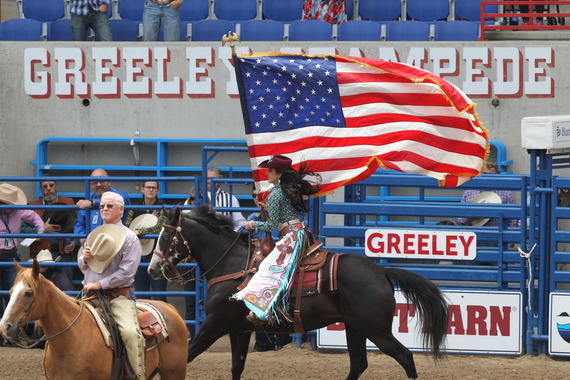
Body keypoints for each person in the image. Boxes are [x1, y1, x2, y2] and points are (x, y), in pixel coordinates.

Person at [234, 155, 320, 323]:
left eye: (270, 170)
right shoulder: (283, 191)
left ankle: (264, 308)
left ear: (279, 174)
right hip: (299, 232)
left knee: (269, 266)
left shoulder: (274, 194)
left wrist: (252, 225)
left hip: (291, 236)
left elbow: (271, 225)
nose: (267, 174)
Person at [78, 191, 145, 380]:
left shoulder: (130, 238)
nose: (104, 209)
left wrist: (100, 283)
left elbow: (127, 273)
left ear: (121, 210)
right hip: (90, 295)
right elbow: (83, 265)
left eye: (109, 206)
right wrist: (85, 258)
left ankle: (135, 374)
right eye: (101, 206)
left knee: (131, 333)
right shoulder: (94, 235)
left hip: (117, 296)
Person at [247, 186, 291, 351]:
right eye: (255, 196)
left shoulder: (276, 215)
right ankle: (264, 340)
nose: (257, 199)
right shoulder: (254, 216)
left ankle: (281, 338)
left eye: (261, 196)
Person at [0, 183, 45, 345]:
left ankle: (14, 333)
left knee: (13, 295)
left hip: (10, 255)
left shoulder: (18, 211)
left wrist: (40, 230)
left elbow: (34, 217)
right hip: (6, 255)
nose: (11, 209)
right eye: (8, 205)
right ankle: (2, 336)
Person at [25, 178, 77, 285]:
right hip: (40, 255)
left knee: (65, 287)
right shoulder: (32, 206)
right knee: (39, 286)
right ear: (41, 189)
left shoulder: (69, 202)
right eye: (45, 186)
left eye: (51, 185)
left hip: (63, 254)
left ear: (56, 186)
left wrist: (75, 242)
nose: (48, 188)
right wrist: (42, 229)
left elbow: (78, 225)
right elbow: (23, 230)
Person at [124, 181, 167, 302]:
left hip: (157, 256)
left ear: (158, 191)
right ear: (142, 189)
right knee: (142, 297)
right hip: (139, 256)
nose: (151, 190)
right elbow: (126, 227)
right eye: (148, 187)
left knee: (159, 296)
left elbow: (160, 228)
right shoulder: (134, 208)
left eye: (154, 188)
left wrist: (140, 232)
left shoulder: (162, 209)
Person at [74, 168, 131, 244]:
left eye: (102, 181)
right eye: (95, 182)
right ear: (90, 185)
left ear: (109, 182)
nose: (98, 184)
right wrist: (81, 237)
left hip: (116, 243)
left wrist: (93, 203)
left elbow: (120, 200)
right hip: (93, 246)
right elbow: (79, 224)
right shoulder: (88, 201)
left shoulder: (120, 196)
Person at [455, 161, 518, 227]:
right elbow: (459, 219)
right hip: (475, 233)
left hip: (498, 234)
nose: (488, 177)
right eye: (484, 174)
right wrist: (469, 218)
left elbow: (513, 221)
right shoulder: (469, 192)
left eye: (491, 174)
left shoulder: (507, 193)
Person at [206, 167, 247, 231]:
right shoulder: (196, 197)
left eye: (213, 178)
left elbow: (240, 222)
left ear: (220, 179)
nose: (210, 181)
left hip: (224, 238)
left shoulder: (230, 199)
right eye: (207, 178)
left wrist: (231, 236)